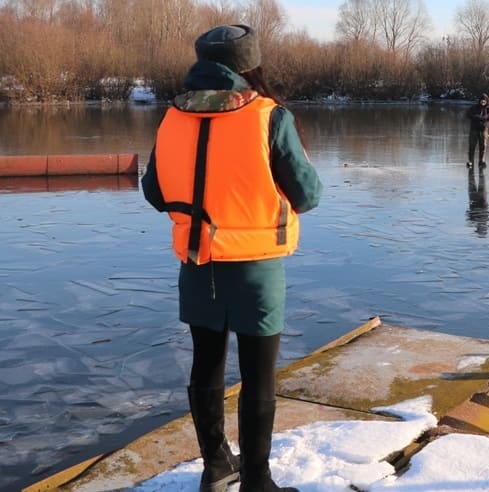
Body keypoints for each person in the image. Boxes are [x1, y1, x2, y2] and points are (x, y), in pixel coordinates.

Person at [141, 24, 322, 492]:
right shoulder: (269, 116)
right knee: (258, 375)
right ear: (250, 64)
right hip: (256, 267)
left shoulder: (171, 116)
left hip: (198, 260)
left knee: (206, 363)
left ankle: (216, 464)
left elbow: (155, 193)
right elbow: (307, 195)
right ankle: (257, 480)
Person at [466, 93, 489, 168]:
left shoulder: (488, 109)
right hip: (474, 130)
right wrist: (475, 117)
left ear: (486, 101)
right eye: (482, 101)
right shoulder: (474, 108)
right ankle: (470, 161)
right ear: (479, 101)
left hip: (484, 131)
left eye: (484, 101)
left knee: (483, 147)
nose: (483, 102)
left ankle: (482, 161)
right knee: (472, 147)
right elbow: (467, 114)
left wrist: (488, 117)